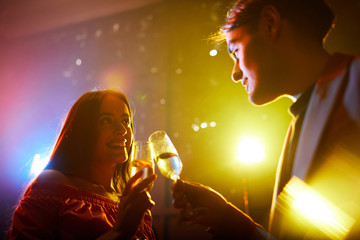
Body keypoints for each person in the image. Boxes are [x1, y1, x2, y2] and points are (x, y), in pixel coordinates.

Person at [172, 0, 360, 239]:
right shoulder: (300, 123)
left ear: (270, 23)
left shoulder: (355, 81)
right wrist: (226, 218)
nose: (235, 73)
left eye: (236, 52)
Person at [7, 90, 157, 239]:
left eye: (125, 121)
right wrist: (119, 232)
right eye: (106, 120)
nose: (123, 130)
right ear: (84, 130)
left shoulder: (127, 201)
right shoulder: (55, 185)